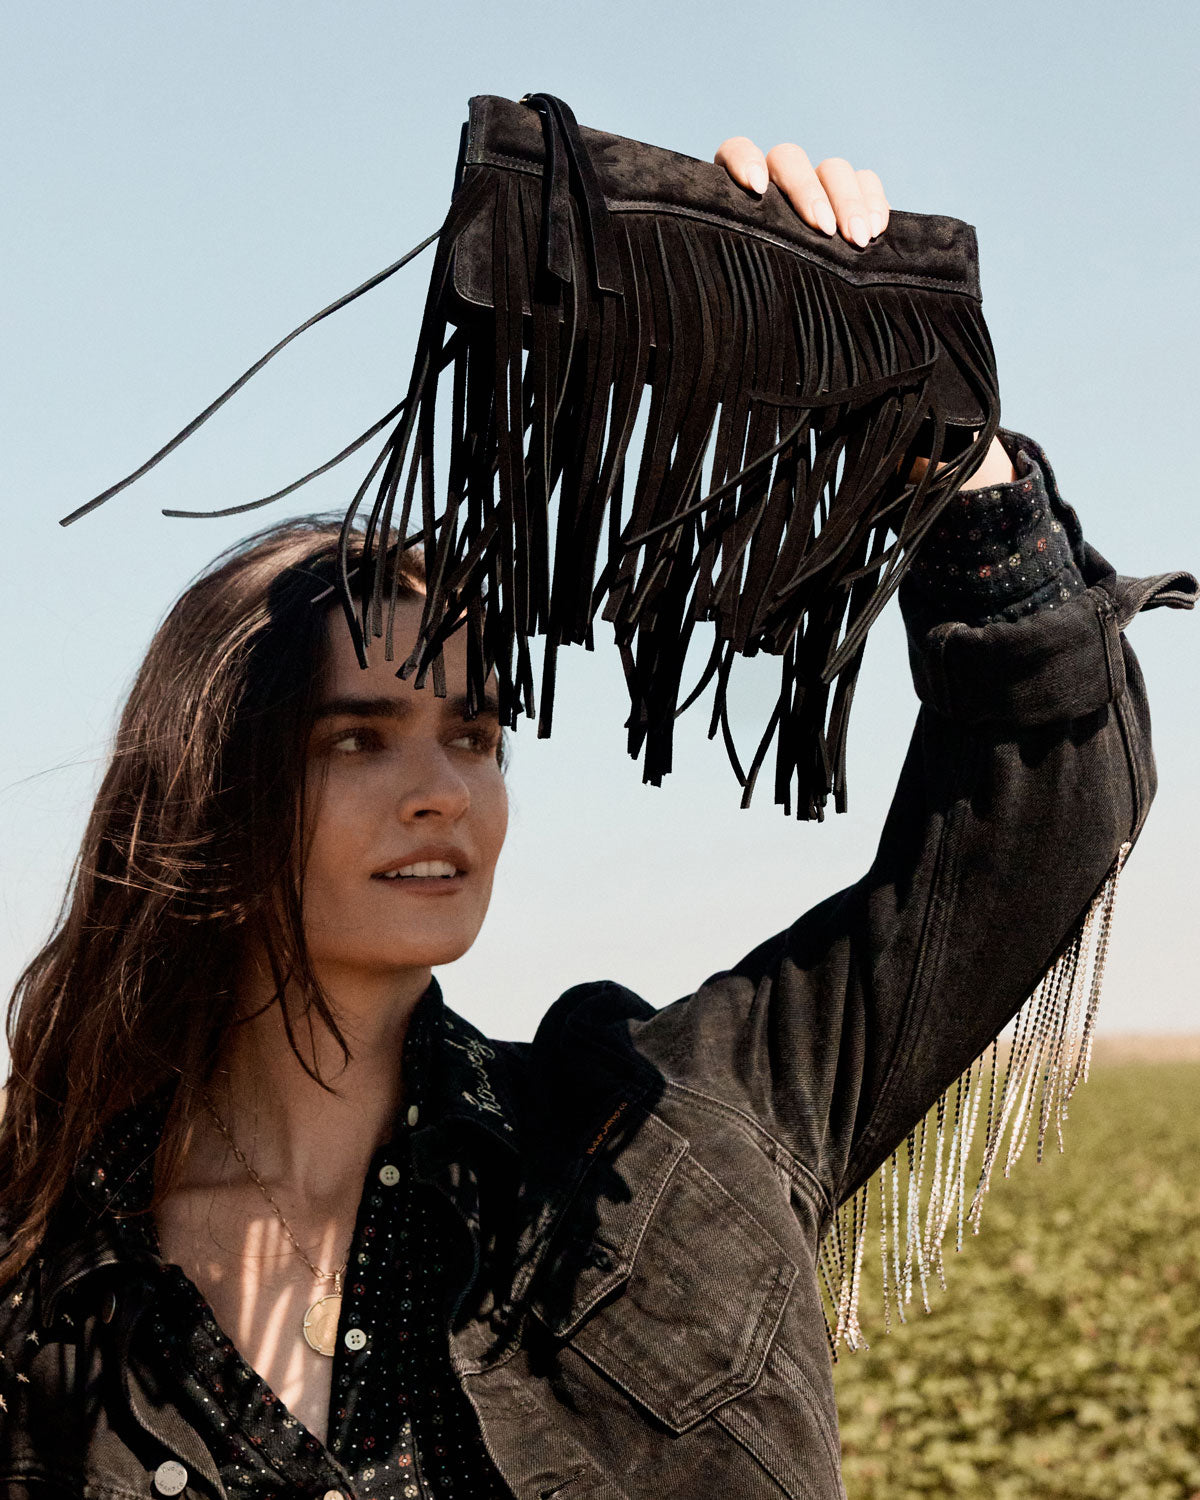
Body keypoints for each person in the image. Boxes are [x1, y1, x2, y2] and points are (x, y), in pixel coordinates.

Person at [0, 134, 1192, 1500]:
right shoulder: (51, 1301)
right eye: (358, 737)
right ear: (211, 789)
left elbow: (1042, 814)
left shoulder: (661, 1135)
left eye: (475, 734)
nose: (444, 788)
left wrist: (937, 439)